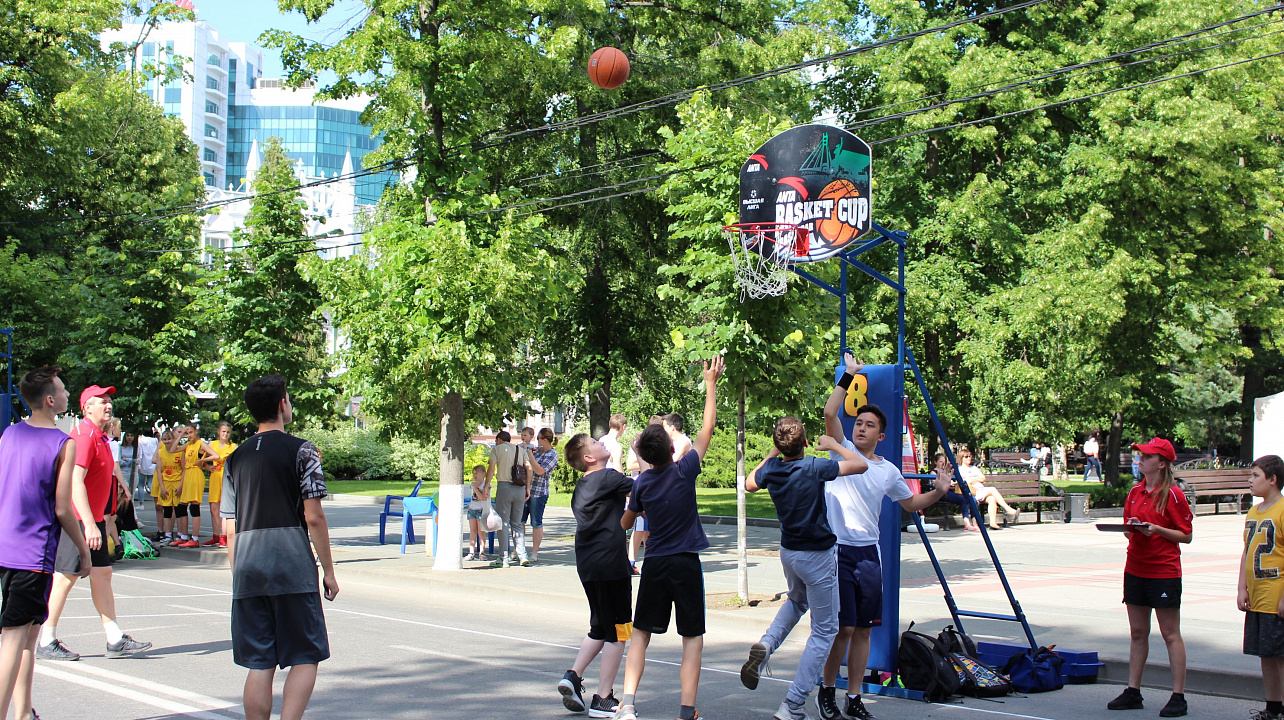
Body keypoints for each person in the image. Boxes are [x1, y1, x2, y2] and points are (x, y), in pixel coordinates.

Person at [808, 356, 953, 720]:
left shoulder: (888, 471)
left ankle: (854, 697)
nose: (861, 428)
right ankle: (827, 691)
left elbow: (910, 503)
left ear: (881, 436)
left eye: (869, 425)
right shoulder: (843, 450)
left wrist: (938, 491)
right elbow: (829, 412)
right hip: (837, 552)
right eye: (859, 423)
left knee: (863, 630)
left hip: (868, 556)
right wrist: (848, 376)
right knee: (842, 629)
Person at [613, 356, 724, 720]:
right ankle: (687, 709)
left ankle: (628, 704)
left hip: (656, 564)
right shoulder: (685, 469)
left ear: (642, 454)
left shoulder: (642, 484)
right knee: (692, 639)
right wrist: (710, 384)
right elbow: (708, 427)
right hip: (686, 563)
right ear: (672, 448)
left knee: (641, 635)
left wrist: (636, 509)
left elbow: (626, 523)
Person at [223, 374, 338, 720]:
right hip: (290, 564)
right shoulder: (303, 450)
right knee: (305, 655)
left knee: (259, 662)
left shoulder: (235, 458)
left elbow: (230, 527)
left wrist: (238, 573)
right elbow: (314, 516)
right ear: (282, 404)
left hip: (248, 566)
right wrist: (329, 571)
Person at [740, 415, 868, 720]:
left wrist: (772, 453)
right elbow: (860, 465)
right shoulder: (813, 466)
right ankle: (793, 704)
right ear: (806, 442)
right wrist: (834, 445)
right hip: (817, 555)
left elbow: (749, 483)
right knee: (825, 630)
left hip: (789, 553)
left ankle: (767, 644)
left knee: (797, 601)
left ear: (778, 444)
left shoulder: (772, 469)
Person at [0, 367, 91, 720]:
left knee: (28, 635)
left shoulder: (9, 434)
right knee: (13, 637)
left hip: (6, 546)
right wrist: (82, 549)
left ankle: (24, 712)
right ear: (51, 400)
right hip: (32, 552)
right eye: (64, 390)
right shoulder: (62, 443)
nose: (68, 394)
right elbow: (63, 508)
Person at [37, 385, 151, 662]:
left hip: (94, 519)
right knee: (65, 576)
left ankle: (115, 638)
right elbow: (75, 482)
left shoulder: (100, 437)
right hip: (77, 519)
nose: (108, 405)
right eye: (102, 401)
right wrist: (88, 524)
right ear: (87, 407)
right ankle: (45, 639)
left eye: (109, 400)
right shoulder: (84, 436)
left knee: (102, 574)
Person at [1107, 436, 1192, 717]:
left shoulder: (1173, 495)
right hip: (1135, 568)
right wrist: (1132, 528)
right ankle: (1133, 690)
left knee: (1170, 634)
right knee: (1137, 632)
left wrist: (1156, 529)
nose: (1140, 459)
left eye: (1147, 456)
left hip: (1163, 571)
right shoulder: (1135, 491)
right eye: (1140, 455)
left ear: (1162, 463)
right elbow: (1128, 528)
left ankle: (1178, 696)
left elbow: (1186, 535)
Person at [557, 433, 635, 718]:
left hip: (589, 565)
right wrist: (644, 456)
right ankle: (603, 698)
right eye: (595, 443)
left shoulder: (583, 485)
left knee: (600, 626)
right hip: (611, 565)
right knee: (619, 631)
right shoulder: (608, 477)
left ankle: (573, 676)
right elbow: (643, 488)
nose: (601, 443)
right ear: (589, 458)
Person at [1241, 455, 1284, 720]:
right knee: (1265, 655)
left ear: (1272, 479)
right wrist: (1241, 588)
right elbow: (1246, 551)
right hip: (1257, 596)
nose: (1250, 480)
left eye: (1255, 475)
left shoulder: (1282, 510)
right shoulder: (1253, 512)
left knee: (1280, 656)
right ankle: (1273, 707)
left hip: (1275, 594)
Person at [625, 416, 663, 575]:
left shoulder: (660, 445)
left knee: (649, 530)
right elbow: (630, 465)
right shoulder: (641, 444)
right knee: (639, 528)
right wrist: (647, 462)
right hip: (641, 487)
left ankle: (650, 560)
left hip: (654, 487)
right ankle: (631, 560)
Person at [487, 430, 529, 567]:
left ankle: (503, 558)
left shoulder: (496, 450)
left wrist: (486, 485)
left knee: (503, 523)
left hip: (504, 487)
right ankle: (523, 556)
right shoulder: (521, 450)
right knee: (517, 523)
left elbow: (491, 469)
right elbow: (529, 468)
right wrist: (528, 487)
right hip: (520, 488)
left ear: (499, 440)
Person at [958, 447, 1019, 530]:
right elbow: (964, 482)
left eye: (970, 456)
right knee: (992, 489)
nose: (969, 458)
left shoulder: (974, 468)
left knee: (991, 498)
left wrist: (972, 479)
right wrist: (975, 479)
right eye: (966, 457)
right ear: (961, 458)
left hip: (980, 491)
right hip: (972, 493)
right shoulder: (960, 470)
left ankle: (993, 523)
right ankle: (1008, 509)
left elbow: (983, 478)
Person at [525, 428, 558, 562]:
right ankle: (518, 550)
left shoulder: (552, 454)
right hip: (526, 489)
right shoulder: (537, 451)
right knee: (520, 521)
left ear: (545, 439)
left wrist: (530, 455)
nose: (537, 441)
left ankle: (534, 552)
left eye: (539, 438)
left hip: (539, 492)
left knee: (536, 522)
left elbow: (539, 471)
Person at [177, 425, 213, 547]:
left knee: (194, 506)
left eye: (191, 432)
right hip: (188, 474)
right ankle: (183, 536)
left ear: (196, 431)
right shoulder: (188, 445)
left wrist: (202, 462)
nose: (189, 435)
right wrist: (180, 435)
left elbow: (215, 455)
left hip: (196, 474)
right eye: (187, 433)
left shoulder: (200, 444)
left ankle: (195, 538)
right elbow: (172, 449)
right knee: (182, 506)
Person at [204, 422, 237, 548]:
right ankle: (215, 536)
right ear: (218, 432)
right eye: (223, 431)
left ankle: (224, 536)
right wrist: (207, 466)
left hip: (226, 477)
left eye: (228, 432)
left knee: (225, 508)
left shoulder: (233, 446)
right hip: (215, 476)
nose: (225, 434)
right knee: (214, 508)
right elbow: (199, 456)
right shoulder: (212, 444)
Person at [935, 452, 979, 532]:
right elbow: (936, 485)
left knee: (972, 498)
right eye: (941, 461)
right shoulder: (934, 472)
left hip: (953, 490)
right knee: (965, 499)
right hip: (944, 493)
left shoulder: (947, 471)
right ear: (935, 462)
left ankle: (974, 522)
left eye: (944, 462)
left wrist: (953, 483)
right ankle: (967, 523)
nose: (943, 463)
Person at [154, 429, 184, 544]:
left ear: (173, 439)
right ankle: (168, 534)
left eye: (169, 439)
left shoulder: (179, 451)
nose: (167, 441)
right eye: (165, 439)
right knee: (166, 509)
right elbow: (159, 471)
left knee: (178, 509)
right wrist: (162, 487)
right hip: (166, 483)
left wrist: (181, 485)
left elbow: (184, 469)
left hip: (177, 482)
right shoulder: (160, 452)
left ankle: (180, 533)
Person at [465, 464, 491, 561]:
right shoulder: (473, 484)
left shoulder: (485, 485)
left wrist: (476, 489)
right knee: (473, 531)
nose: (475, 475)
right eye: (474, 473)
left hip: (481, 510)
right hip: (472, 509)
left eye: (477, 473)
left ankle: (482, 552)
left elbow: (483, 498)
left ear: (483, 474)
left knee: (481, 532)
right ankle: (471, 552)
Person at [136, 428, 158, 507]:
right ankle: (157, 500)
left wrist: (138, 465)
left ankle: (141, 504)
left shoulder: (141, 440)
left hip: (143, 464)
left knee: (141, 485)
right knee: (151, 482)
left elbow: (140, 453)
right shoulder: (155, 440)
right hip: (153, 464)